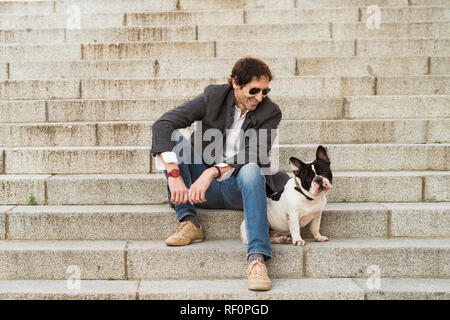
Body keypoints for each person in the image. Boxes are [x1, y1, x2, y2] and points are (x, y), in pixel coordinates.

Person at [151, 56, 289, 291]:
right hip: (202, 191)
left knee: (253, 169)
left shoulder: (270, 112)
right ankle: (189, 221)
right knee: (174, 138)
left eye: (265, 91)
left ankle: (257, 258)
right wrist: (174, 174)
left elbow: (254, 153)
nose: (260, 97)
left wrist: (212, 173)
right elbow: (162, 124)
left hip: (239, 189)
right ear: (236, 83)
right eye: (253, 90)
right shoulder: (214, 96)